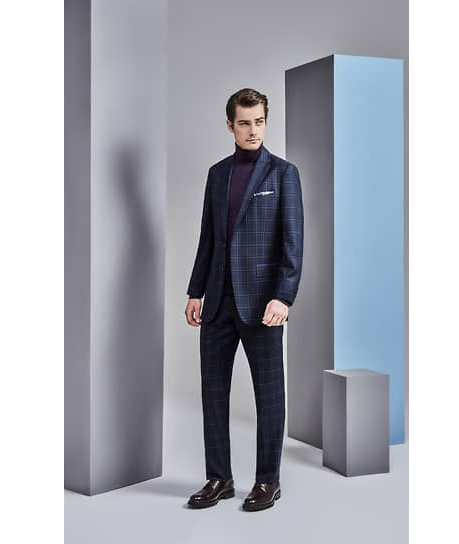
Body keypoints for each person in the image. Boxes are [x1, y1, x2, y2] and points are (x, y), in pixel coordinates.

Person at [183, 88, 304, 512]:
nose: (253, 130)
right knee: (213, 395)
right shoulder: (217, 174)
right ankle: (219, 478)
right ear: (230, 125)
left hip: (262, 306)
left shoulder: (283, 173)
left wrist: (283, 297)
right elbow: (209, 238)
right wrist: (195, 291)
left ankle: (268, 480)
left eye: (259, 122)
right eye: (245, 123)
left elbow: (293, 242)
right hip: (218, 302)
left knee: (269, 397)